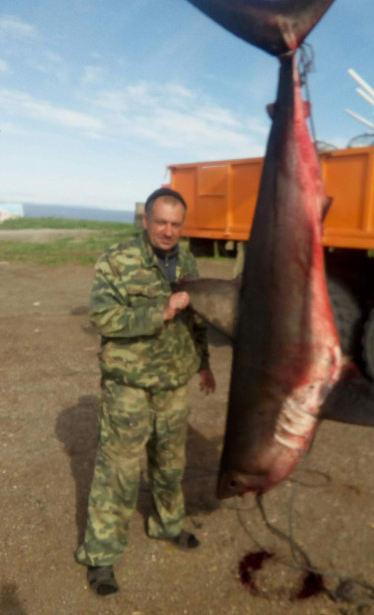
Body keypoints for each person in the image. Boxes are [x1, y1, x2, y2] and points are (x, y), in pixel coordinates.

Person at [75, 187, 216, 596]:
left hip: (174, 384)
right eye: (161, 222)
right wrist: (161, 311)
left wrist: (204, 363)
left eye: (176, 224)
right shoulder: (118, 259)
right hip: (129, 387)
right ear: (145, 220)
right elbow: (103, 316)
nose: (168, 231)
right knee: (117, 471)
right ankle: (101, 556)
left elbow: (198, 319)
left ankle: (167, 525)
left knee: (170, 464)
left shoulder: (187, 260)